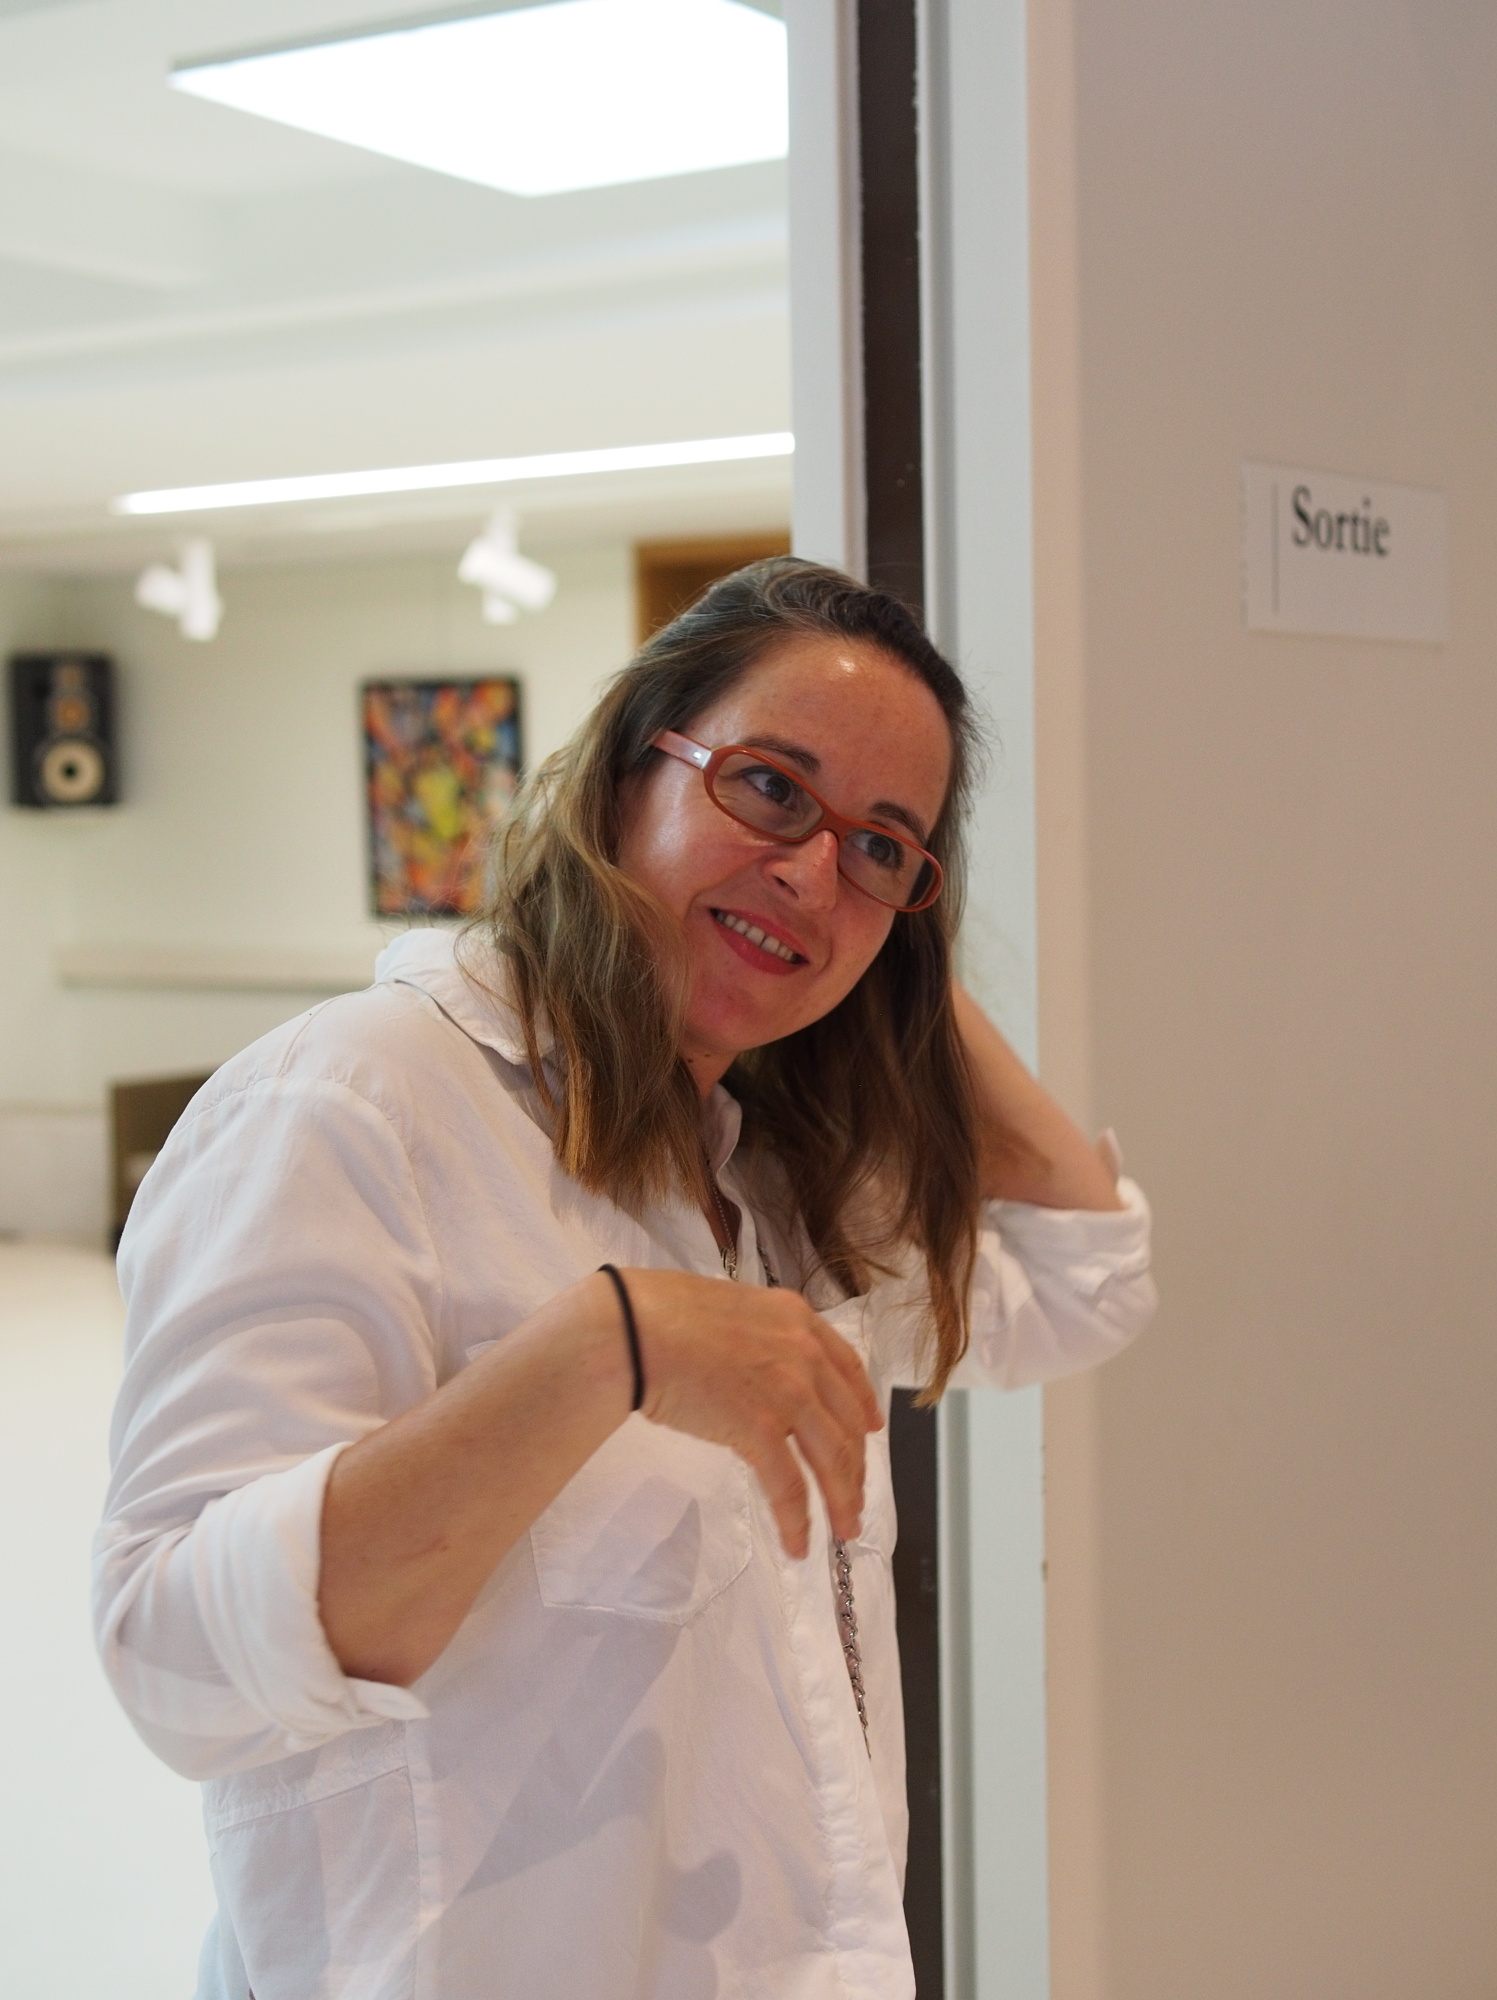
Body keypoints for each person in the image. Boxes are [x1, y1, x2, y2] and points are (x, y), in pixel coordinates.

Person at [92, 557, 1157, 2000]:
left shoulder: (766, 1180)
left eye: (881, 845)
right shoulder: (356, 1100)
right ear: (625, 771)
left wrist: (871, 949)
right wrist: (600, 1354)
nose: (810, 864)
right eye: (769, 787)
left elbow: (1087, 1276)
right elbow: (178, 1667)